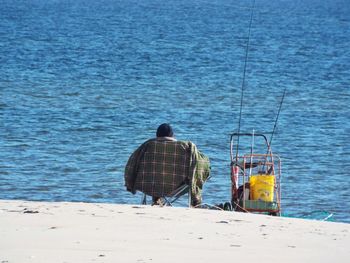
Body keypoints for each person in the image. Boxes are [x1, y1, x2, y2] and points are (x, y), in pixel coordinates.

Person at [124, 123, 210, 207]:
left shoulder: (147, 145)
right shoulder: (185, 147)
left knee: (158, 174)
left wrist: (130, 181)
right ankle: (195, 204)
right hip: (178, 187)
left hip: (150, 185)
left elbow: (131, 164)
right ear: (172, 135)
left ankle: (156, 199)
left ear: (157, 135)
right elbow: (202, 165)